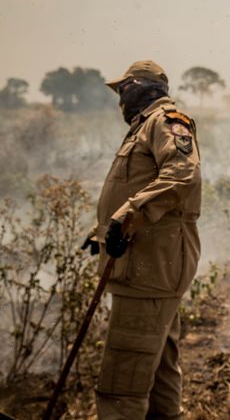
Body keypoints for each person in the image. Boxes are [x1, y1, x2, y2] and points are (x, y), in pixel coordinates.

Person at [82, 60, 202, 419]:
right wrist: (102, 232)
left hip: (148, 272)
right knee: (160, 371)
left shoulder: (165, 121)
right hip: (150, 268)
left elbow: (182, 175)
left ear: (140, 87)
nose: (120, 98)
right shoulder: (146, 127)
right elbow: (135, 187)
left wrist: (125, 218)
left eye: (124, 89)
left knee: (121, 386)